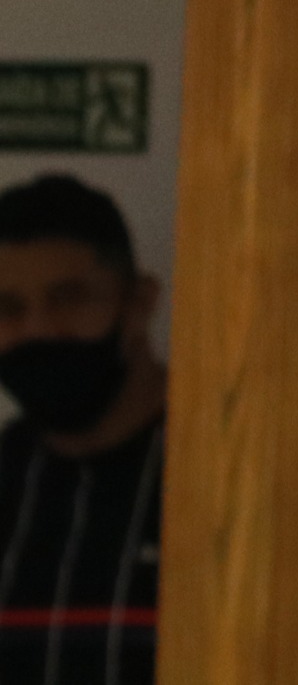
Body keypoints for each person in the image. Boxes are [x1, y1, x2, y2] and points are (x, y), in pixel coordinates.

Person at [0, 173, 167, 685]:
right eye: (8, 308)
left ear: (139, 303)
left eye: (69, 298)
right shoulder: (7, 474)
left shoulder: (230, 471)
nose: (39, 329)